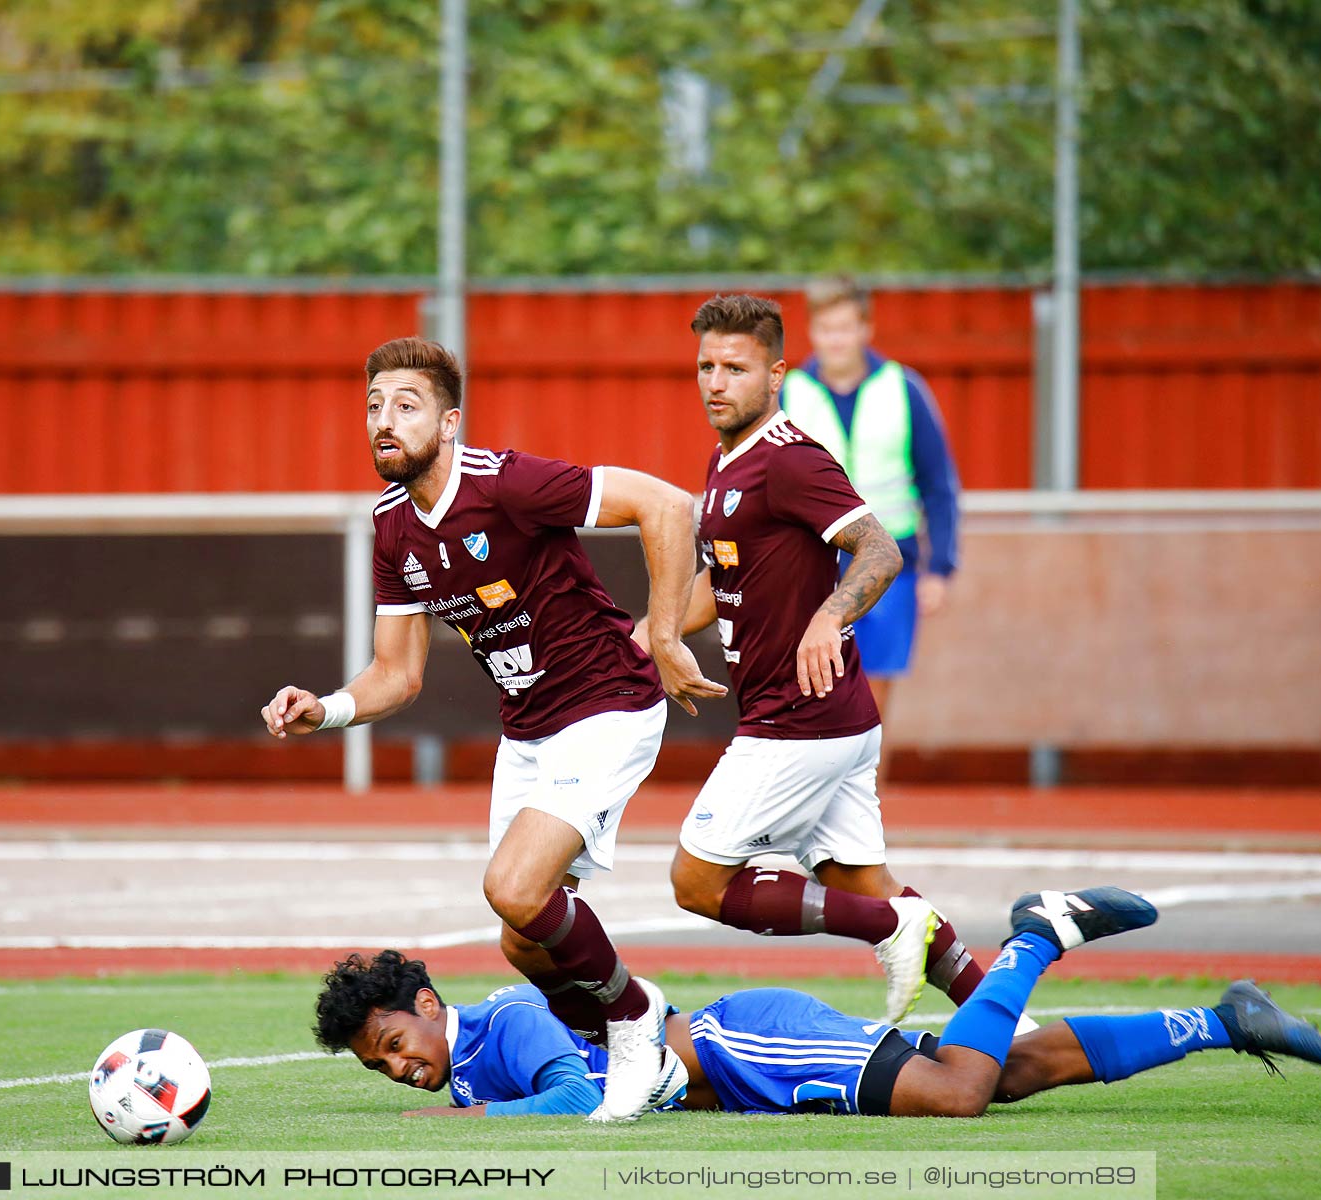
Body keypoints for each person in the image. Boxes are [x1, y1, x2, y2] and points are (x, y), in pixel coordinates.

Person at [262, 336, 727, 1124]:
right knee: (524, 941)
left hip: (609, 704)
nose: (384, 421)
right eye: (374, 406)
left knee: (512, 887)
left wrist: (666, 636)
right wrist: (328, 709)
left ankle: (635, 1021)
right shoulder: (390, 527)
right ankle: (627, 1060)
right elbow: (397, 675)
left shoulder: (505, 483)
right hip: (531, 733)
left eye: (406, 406)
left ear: (449, 424)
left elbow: (668, 506)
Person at [634, 294, 988, 1027]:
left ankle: (888, 932)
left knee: (696, 881)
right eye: (706, 366)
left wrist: (830, 616)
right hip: (836, 719)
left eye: (736, 367)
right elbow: (719, 580)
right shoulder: (727, 459)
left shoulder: (789, 459)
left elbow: (882, 548)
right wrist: (648, 637)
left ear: (776, 376)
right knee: (862, 879)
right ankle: (1004, 1023)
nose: (716, 381)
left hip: (797, 721)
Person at [313, 886, 1321, 1119]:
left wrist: (489, 1120)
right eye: (382, 1065)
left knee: (955, 1096)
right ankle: (1223, 1021)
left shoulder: (503, 1024)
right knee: (1011, 1069)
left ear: (432, 1004)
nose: (401, 1065)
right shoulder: (459, 1076)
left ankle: (1036, 935)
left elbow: (573, 1102)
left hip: (748, 1043)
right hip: (746, 1073)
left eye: (396, 1041)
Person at [781, 278, 961, 740]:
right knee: (814, 685)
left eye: (846, 327)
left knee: (874, 693)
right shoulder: (789, 393)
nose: (836, 339)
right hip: (812, 562)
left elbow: (938, 485)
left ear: (866, 328)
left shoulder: (904, 389)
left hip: (891, 561)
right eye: (826, 329)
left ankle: (869, 803)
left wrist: (939, 567)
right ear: (813, 332)